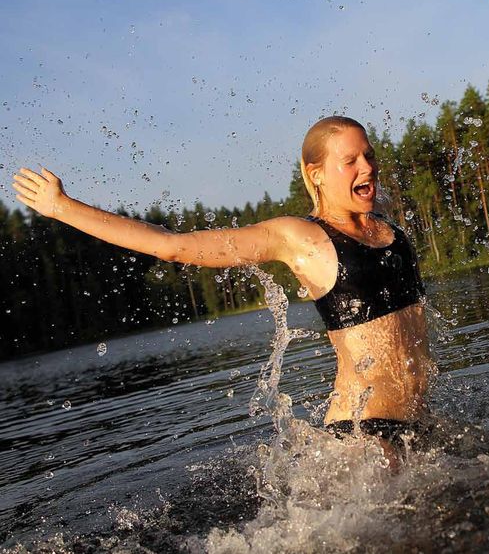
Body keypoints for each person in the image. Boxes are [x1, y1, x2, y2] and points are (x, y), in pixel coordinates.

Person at [12, 116, 432, 460]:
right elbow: (172, 246)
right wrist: (62, 208)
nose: (368, 167)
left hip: (420, 424)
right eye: (350, 161)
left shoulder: (384, 224)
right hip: (364, 436)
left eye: (369, 156)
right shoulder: (299, 236)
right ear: (316, 174)